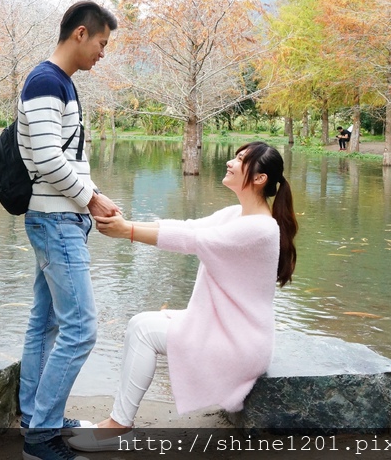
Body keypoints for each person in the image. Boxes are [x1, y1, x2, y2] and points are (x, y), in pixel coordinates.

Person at [69, 142, 298, 452]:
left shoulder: (259, 229)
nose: (230, 162)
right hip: (225, 329)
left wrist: (128, 232)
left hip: (239, 342)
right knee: (143, 324)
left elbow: (191, 240)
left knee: (143, 330)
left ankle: (118, 426)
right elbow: (187, 226)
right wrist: (128, 223)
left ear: (259, 178)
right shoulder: (237, 215)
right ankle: (118, 424)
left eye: (241, 160)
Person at [17, 0, 121, 460]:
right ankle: (42, 437)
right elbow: (46, 159)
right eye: (101, 43)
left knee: (48, 322)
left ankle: (37, 417)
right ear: (80, 34)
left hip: (63, 217)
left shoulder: (62, 84)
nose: (103, 53)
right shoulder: (45, 82)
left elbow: (68, 159)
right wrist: (90, 199)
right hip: (55, 220)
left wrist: (95, 196)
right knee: (81, 328)